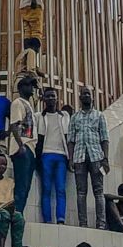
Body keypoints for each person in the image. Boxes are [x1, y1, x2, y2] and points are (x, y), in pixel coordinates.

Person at [67, 86, 109, 228]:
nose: (85, 96)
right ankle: (83, 224)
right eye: (83, 94)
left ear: (92, 97)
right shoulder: (74, 117)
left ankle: (101, 224)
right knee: (81, 192)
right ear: (80, 98)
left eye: (88, 94)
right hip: (79, 158)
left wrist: (106, 159)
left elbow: (105, 139)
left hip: (96, 157)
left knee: (98, 191)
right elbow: (71, 140)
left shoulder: (99, 115)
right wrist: (70, 159)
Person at [14, 0, 53, 78]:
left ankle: (26, 64)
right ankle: (32, 66)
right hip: (33, 6)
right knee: (36, 36)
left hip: (24, 6)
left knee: (28, 36)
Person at [35, 86, 70, 224]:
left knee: (61, 188)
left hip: (61, 155)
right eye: (48, 96)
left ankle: (61, 219)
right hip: (45, 155)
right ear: (43, 99)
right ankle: (47, 220)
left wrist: (70, 158)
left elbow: (69, 136)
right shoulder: (39, 116)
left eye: (53, 96)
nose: (51, 99)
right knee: (47, 189)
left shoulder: (64, 116)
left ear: (57, 98)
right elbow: (37, 138)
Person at [8, 75, 38, 213]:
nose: (31, 88)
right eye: (28, 85)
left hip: (30, 147)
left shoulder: (28, 105)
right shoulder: (17, 103)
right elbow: (14, 125)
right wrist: (21, 146)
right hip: (23, 147)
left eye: (32, 85)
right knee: (21, 184)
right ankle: (17, 213)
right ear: (21, 88)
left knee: (26, 185)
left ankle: (19, 213)